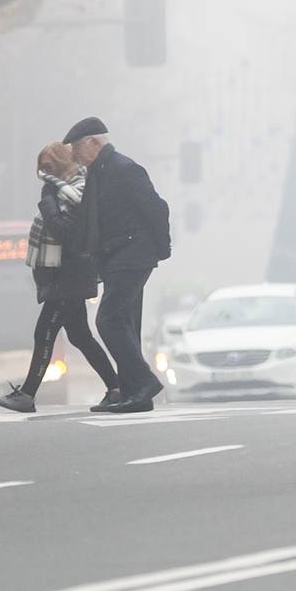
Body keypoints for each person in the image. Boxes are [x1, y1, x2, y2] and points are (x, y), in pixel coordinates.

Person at [0, 143, 120, 414]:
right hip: (65, 276)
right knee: (81, 336)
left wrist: (48, 200)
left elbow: (65, 232)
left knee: (44, 333)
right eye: (42, 168)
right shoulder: (63, 191)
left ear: (63, 164)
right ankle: (117, 387)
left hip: (68, 276)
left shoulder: (77, 191)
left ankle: (27, 395)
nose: (45, 173)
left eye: (50, 167)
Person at [68, 117, 173, 413]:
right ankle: (133, 394)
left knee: (108, 320)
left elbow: (157, 208)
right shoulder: (99, 172)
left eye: (77, 148)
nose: (74, 155)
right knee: (126, 323)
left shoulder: (124, 169)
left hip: (131, 256)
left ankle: (143, 382)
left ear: (95, 143)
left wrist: (161, 249)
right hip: (117, 258)